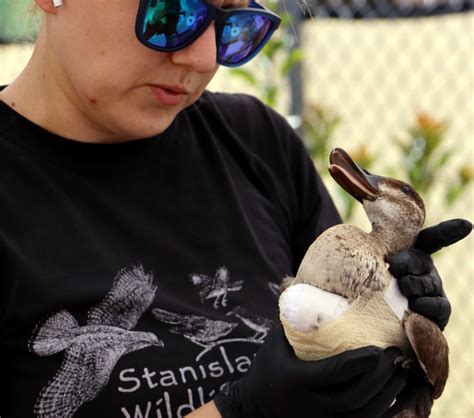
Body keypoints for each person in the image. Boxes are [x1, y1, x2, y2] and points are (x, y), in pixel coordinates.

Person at [0, 1, 470, 417]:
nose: (204, 58)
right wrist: (245, 408)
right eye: (171, 15)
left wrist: (391, 318)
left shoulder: (257, 142)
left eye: (234, 27)